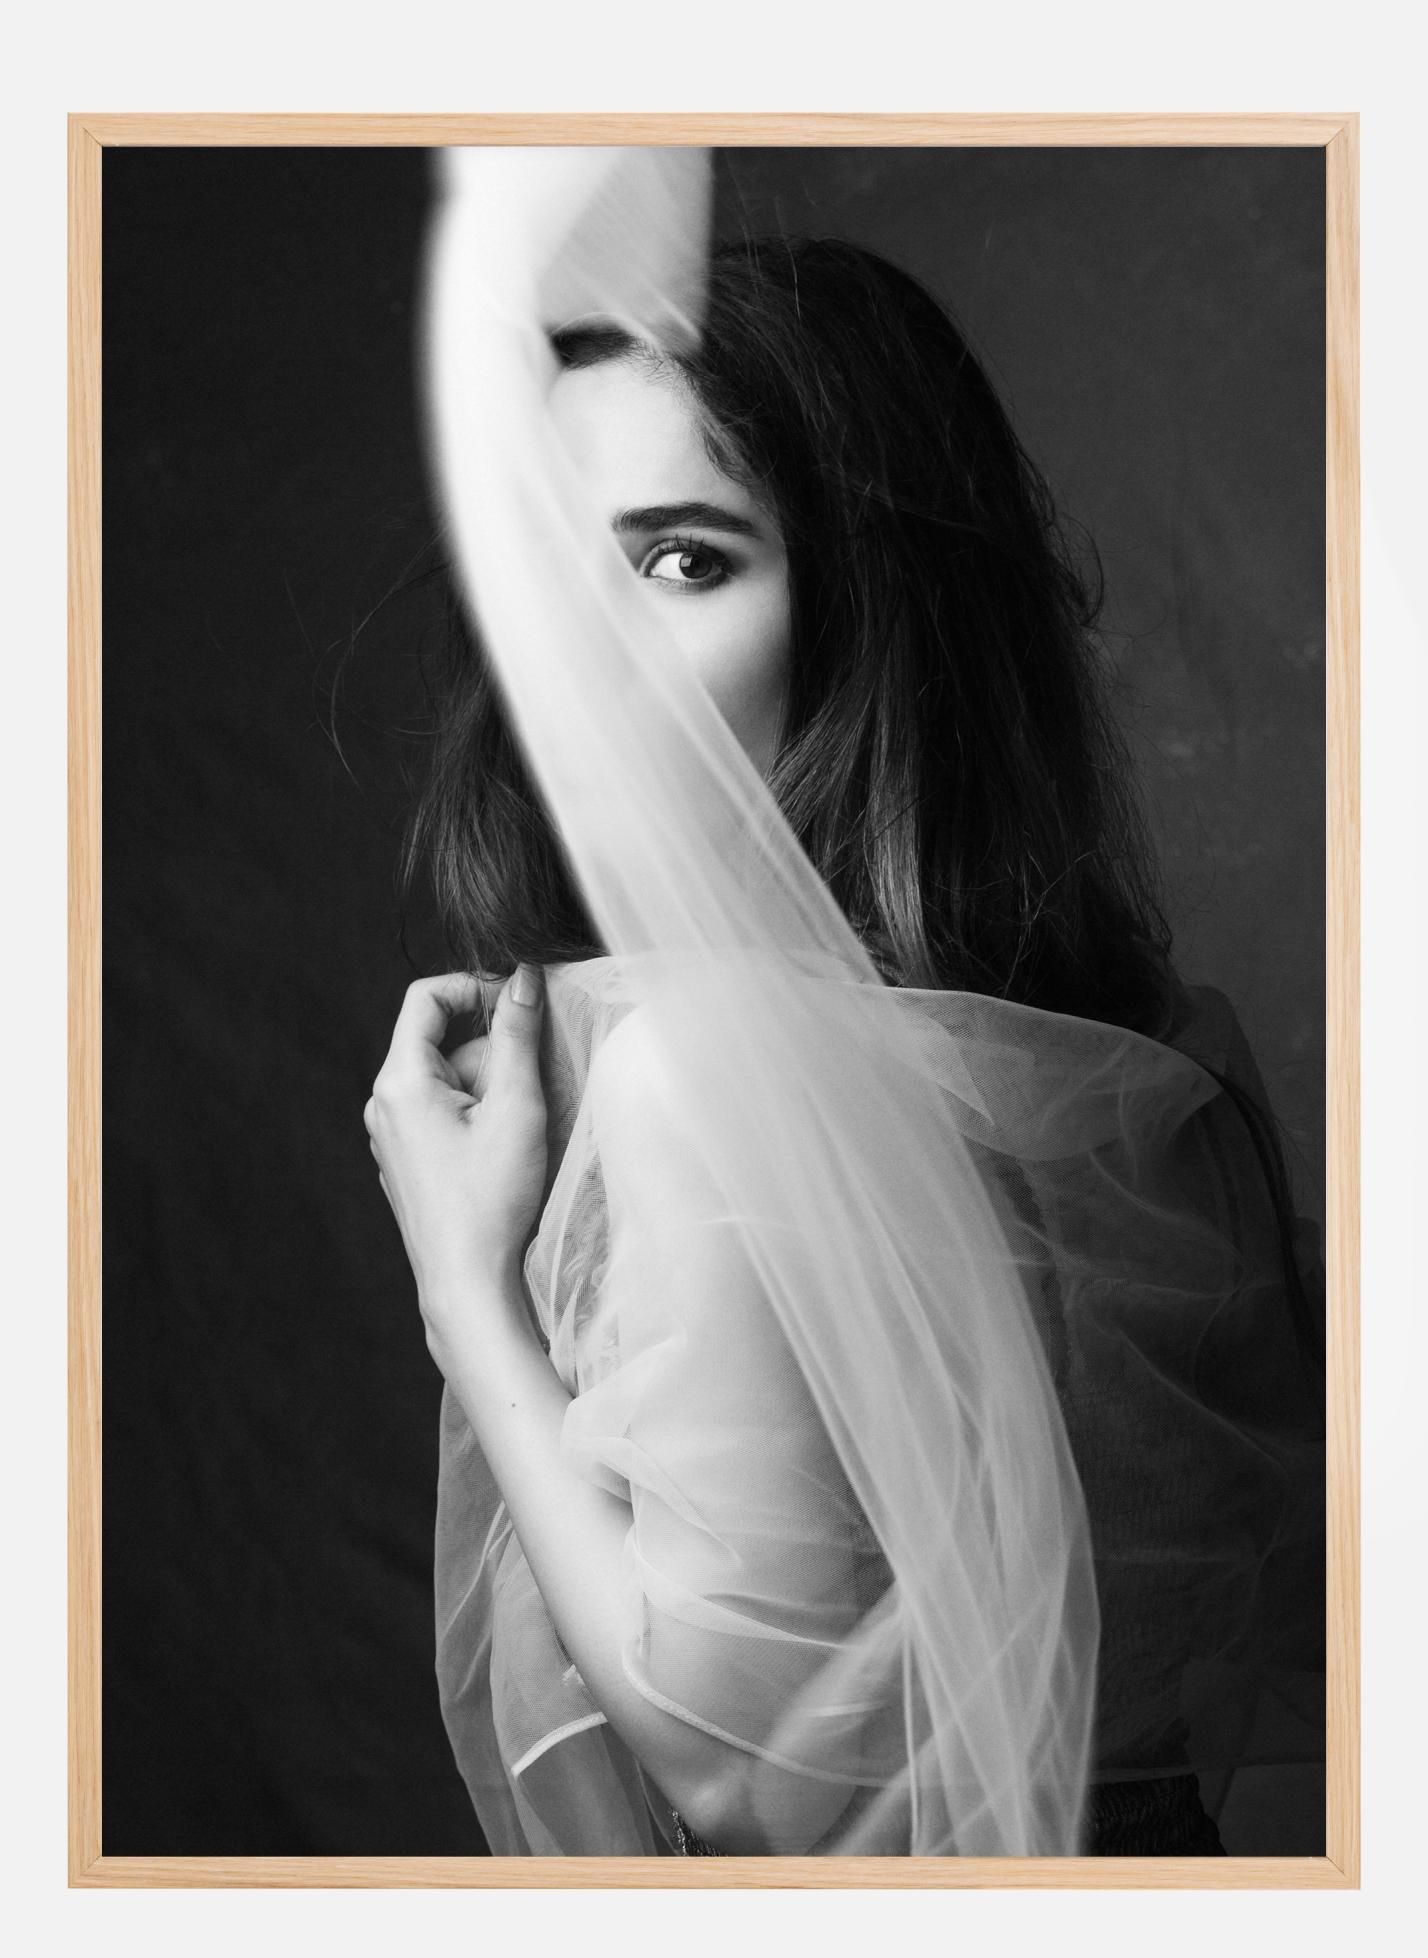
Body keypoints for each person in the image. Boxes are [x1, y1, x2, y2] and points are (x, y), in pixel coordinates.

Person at [365, 151, 1324, 1858]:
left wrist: (465, 1290)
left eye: (682, 559)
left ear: (880, 618)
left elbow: (747, 1780)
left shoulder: (700, 1073)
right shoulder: (1129, 1059)